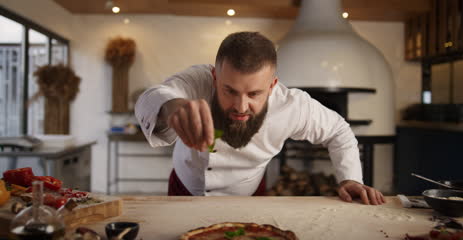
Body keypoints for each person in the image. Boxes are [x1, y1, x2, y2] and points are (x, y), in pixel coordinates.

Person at [135, 31, 385, 205]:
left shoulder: (292, 106)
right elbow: (155, 95)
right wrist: (173, 106)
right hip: (184, 188)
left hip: (249, 196)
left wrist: (351, 178)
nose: (241, 106)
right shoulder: (199, 80)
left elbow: (338, 130)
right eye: (229, 90)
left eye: (254, 93)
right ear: (214, 77)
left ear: (273, 84)